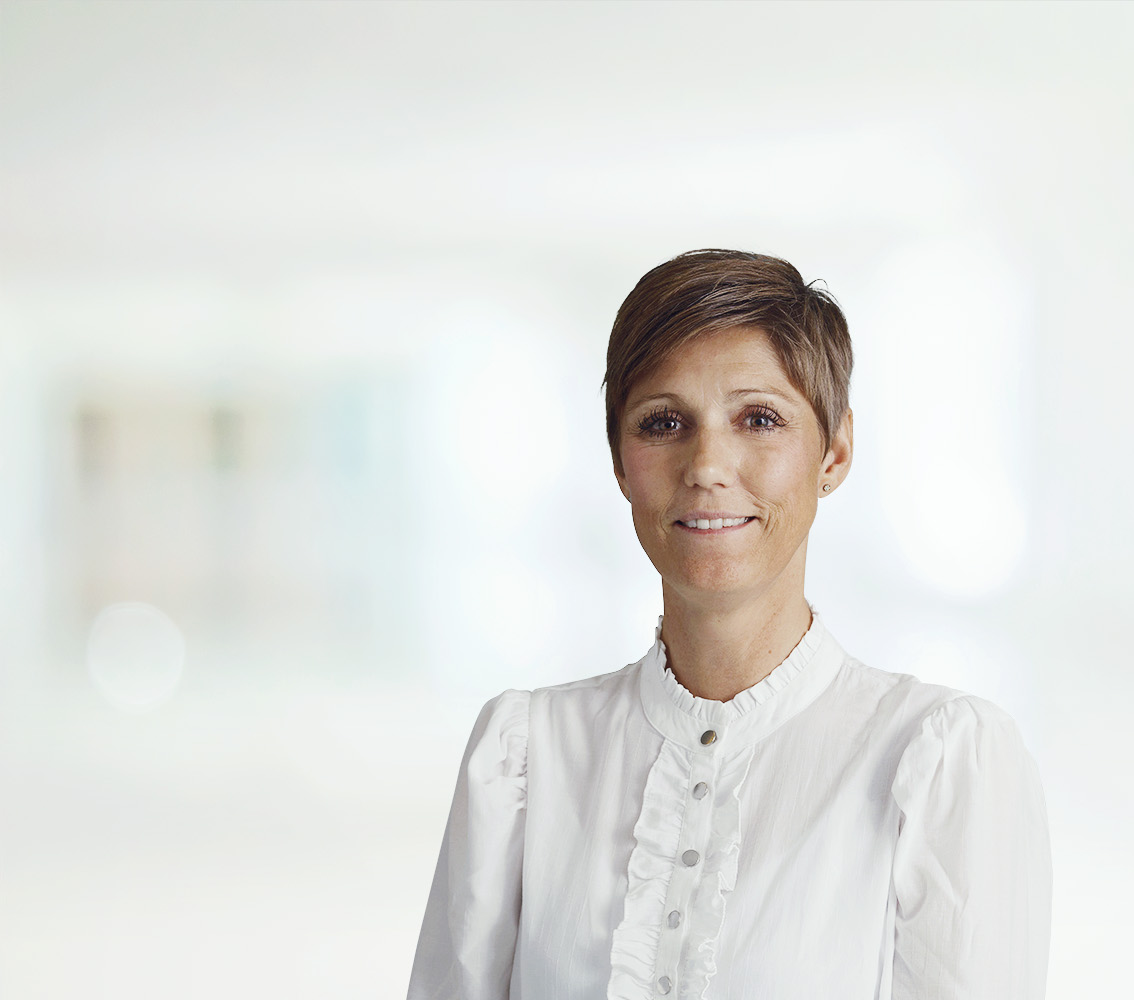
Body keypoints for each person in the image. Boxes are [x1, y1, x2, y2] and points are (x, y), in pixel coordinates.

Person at [408, 250, 1052, 999]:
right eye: (664, 422)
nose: (707, 465)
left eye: (759, 419)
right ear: (619, 461)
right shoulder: (525, 756)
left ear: (835, 452)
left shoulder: (935, 761)